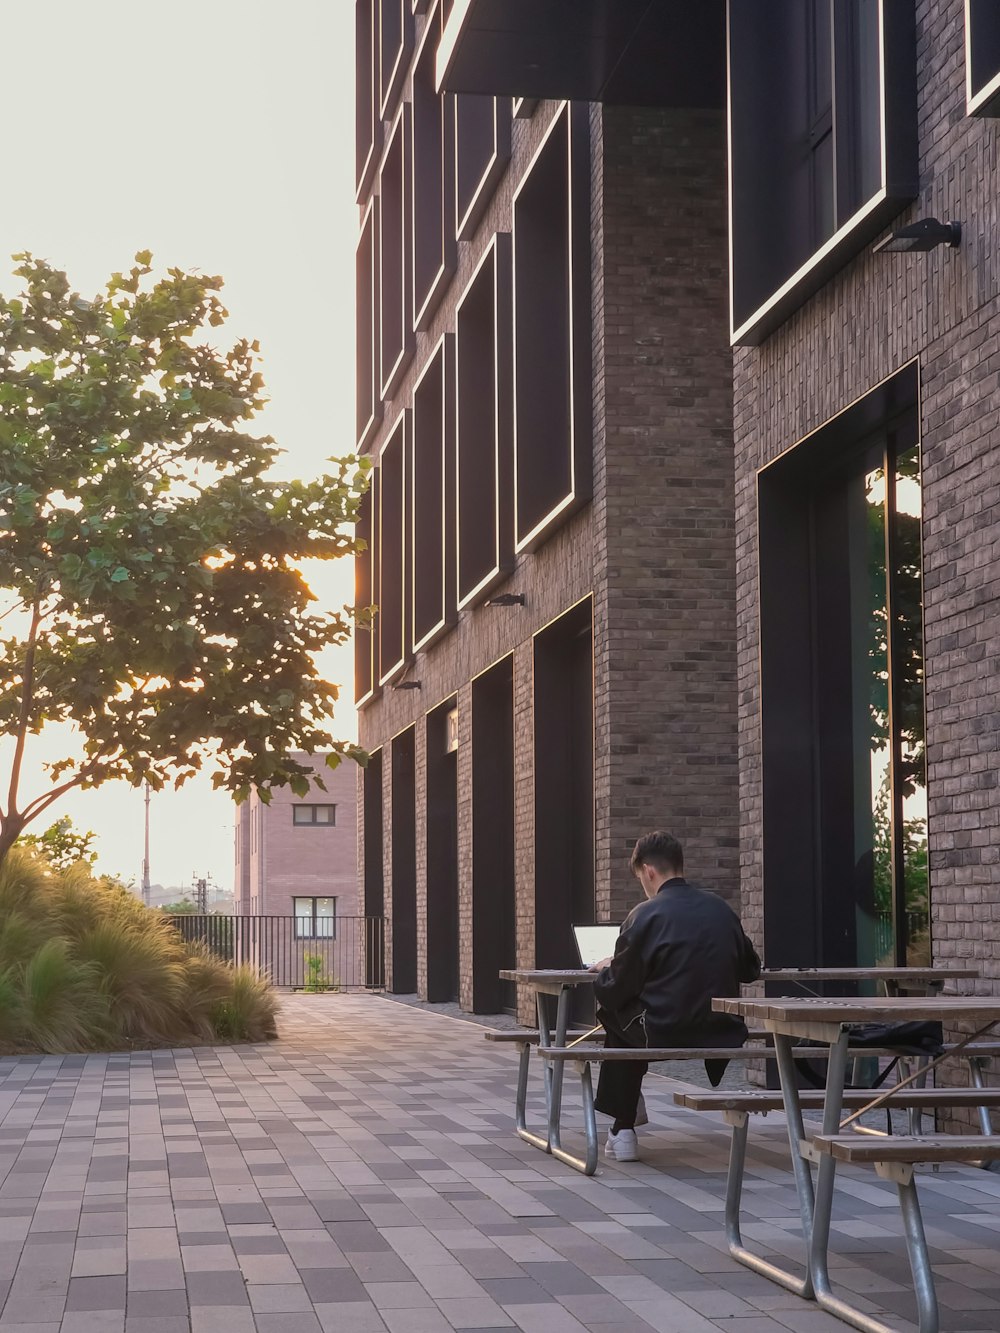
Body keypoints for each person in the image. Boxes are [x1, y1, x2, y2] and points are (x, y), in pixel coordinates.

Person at [590, 831, 761, 1162]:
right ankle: (623, 1123)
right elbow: (750, 969)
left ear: (648, 871)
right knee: (625, 1015)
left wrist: (604, 968)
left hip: (662, 1030)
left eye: (641, 877)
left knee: (615, 1015)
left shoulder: (644, 915)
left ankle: (623, 1126)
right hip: (721, 1030)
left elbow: (615, 990)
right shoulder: (720, 909)